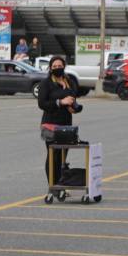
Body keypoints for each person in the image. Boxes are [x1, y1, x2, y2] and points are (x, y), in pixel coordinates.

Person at [38, 56, 83, 185]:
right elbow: (42, 103)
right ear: (50, 68)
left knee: (62, 157)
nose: (58, 68)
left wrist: (74, 108)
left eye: (60, 66)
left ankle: (60, 184)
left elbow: (73, 99)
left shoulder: (70, 81)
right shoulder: (46, 83)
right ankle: (52, 186)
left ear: (64, 66)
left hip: (66, 125)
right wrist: (60, 102)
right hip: (50, 124)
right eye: (55, 66)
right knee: (53, 156)